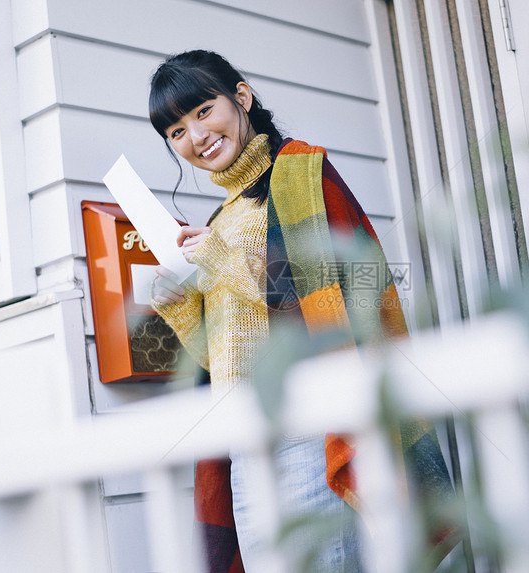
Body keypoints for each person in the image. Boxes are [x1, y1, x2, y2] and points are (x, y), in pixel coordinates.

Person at [147, 50, 458, 572]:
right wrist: (181, 310)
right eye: (176, 131)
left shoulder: (300, 176)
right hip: (243, 439)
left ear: (241, 97)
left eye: (203, 112)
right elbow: (226, 351)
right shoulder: (220, 219)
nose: (195, 137)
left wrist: (222, 262)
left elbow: (340, 299)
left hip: (308, 424)